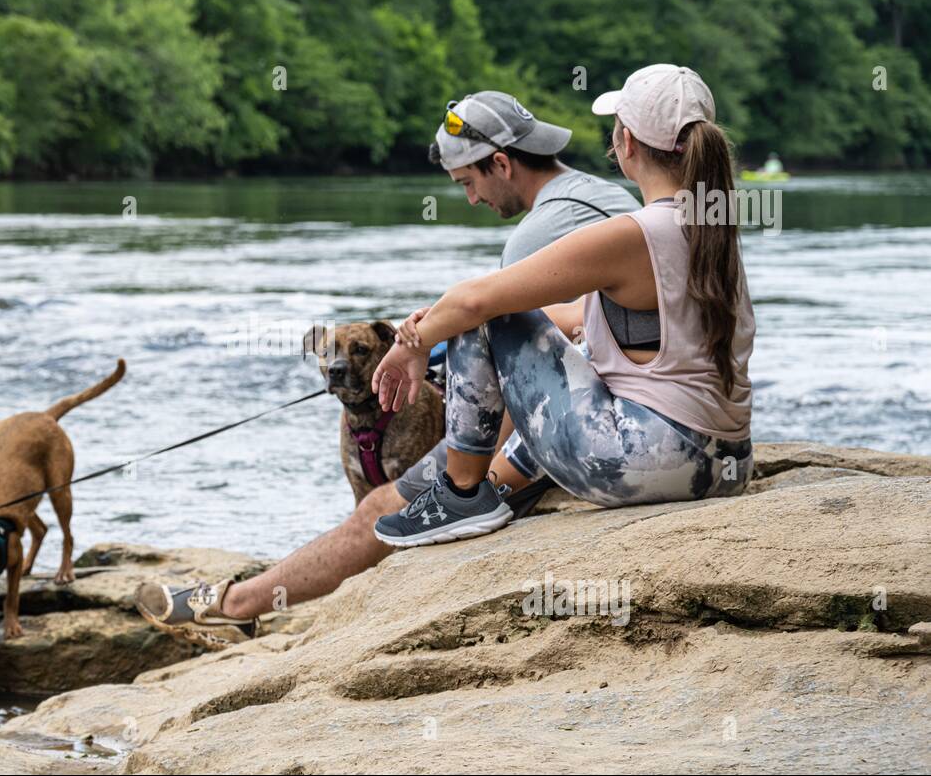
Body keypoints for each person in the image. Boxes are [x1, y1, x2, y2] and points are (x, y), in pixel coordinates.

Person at [135, 92, 638, 647]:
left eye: (468, 183)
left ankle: (233, 603)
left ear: (500, 163)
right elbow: (583, 324)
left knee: (379, 506)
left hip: (583, 426)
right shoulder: (600, 195)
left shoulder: (537, 234)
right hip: (618, 403)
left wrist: (487, 457)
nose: (471, 200)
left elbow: (509, 325)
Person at [372, 64, 755, 548]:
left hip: (654, 461)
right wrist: (434, 328)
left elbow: (478, 301)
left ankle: (462, 494)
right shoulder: (711, 228)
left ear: (626, 144)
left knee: (483, 309)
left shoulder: (633, 234)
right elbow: (574, 320)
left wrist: (414, 342)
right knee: (481, 311)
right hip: (728, 462)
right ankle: (473, 488)